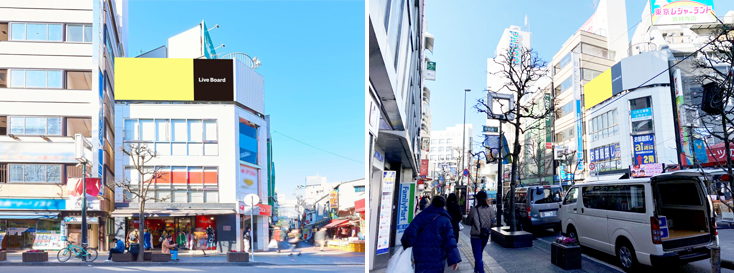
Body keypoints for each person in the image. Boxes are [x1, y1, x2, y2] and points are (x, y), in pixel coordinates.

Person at [401, 196, 461, 272]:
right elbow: (450, 241)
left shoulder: (420, 217)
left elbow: (408, 236)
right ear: (443, 206)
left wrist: (408, 248)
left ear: (432, 204)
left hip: (420, 257)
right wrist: (454, 259)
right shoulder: (445, 220)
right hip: (438, 258)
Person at [468, 191, 496, 273]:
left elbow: (469, 221)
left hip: (475, 236)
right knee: (479, 254)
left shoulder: (474, 209)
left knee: (477, 256)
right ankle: (476, 270)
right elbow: (492, 221)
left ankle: (481, 271)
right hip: (485, 235)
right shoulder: (490, 209)